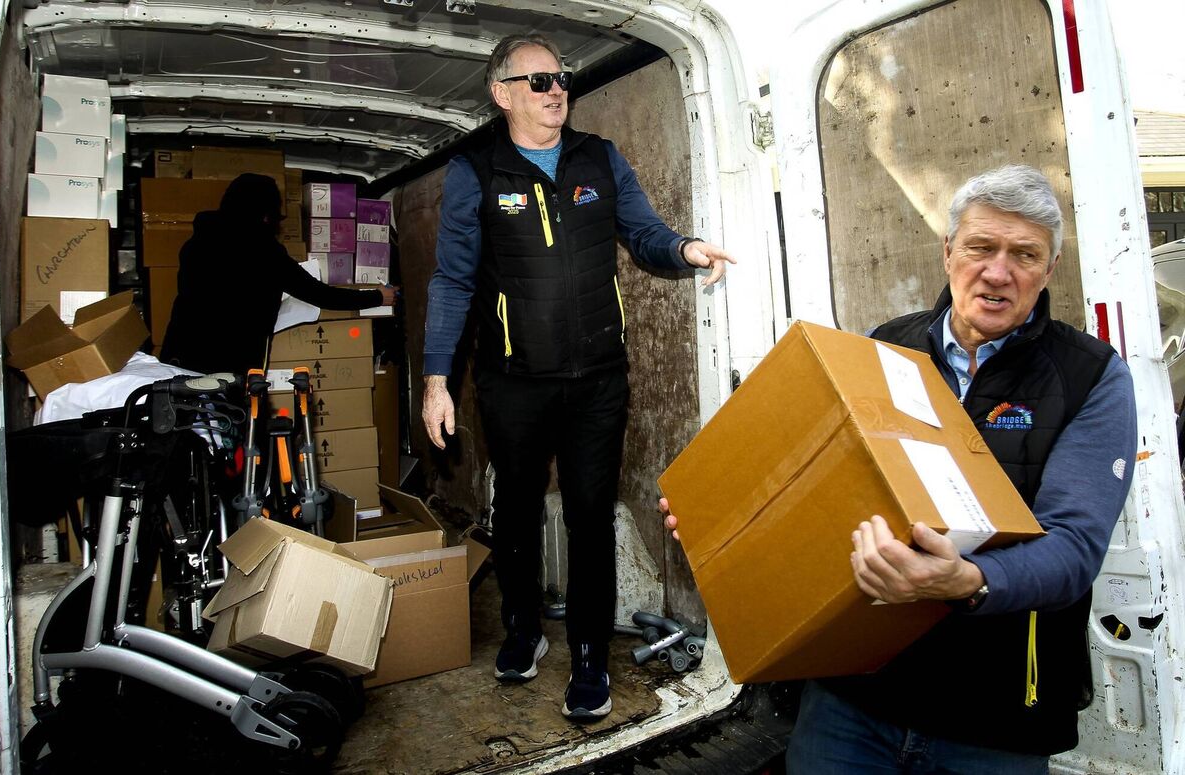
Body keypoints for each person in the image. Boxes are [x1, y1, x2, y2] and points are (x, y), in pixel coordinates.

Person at [662, 165, 1136, 772]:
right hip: (854, 701)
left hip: (992, 723)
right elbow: (811, 485)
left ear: (1050, 270)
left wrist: (966, 581)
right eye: (980, 248)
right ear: (947, 252)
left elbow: (1073, 547)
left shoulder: (1090, 376)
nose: (998, 271)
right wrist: (720, 513)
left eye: (1024, 255)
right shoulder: (884, 347)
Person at [422, 34, 735, 721]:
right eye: (536, 81)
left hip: (597, 379)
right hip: (512, 381)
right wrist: (437, 379)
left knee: (592, 516)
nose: (554, 88)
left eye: (560, 77)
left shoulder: (600, 158)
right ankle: (524, 628)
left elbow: (645, 233)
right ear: (501, 93)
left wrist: (683, 247)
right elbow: (451, 280)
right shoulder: (477, 170)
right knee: (518, 513)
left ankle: (591, 655)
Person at [160, 172, 395, 376]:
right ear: (265, 213)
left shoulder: (196, 244)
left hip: (177, 358)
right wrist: (376, 297)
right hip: (224, 369)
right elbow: (319, 294)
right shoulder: (262, 250)